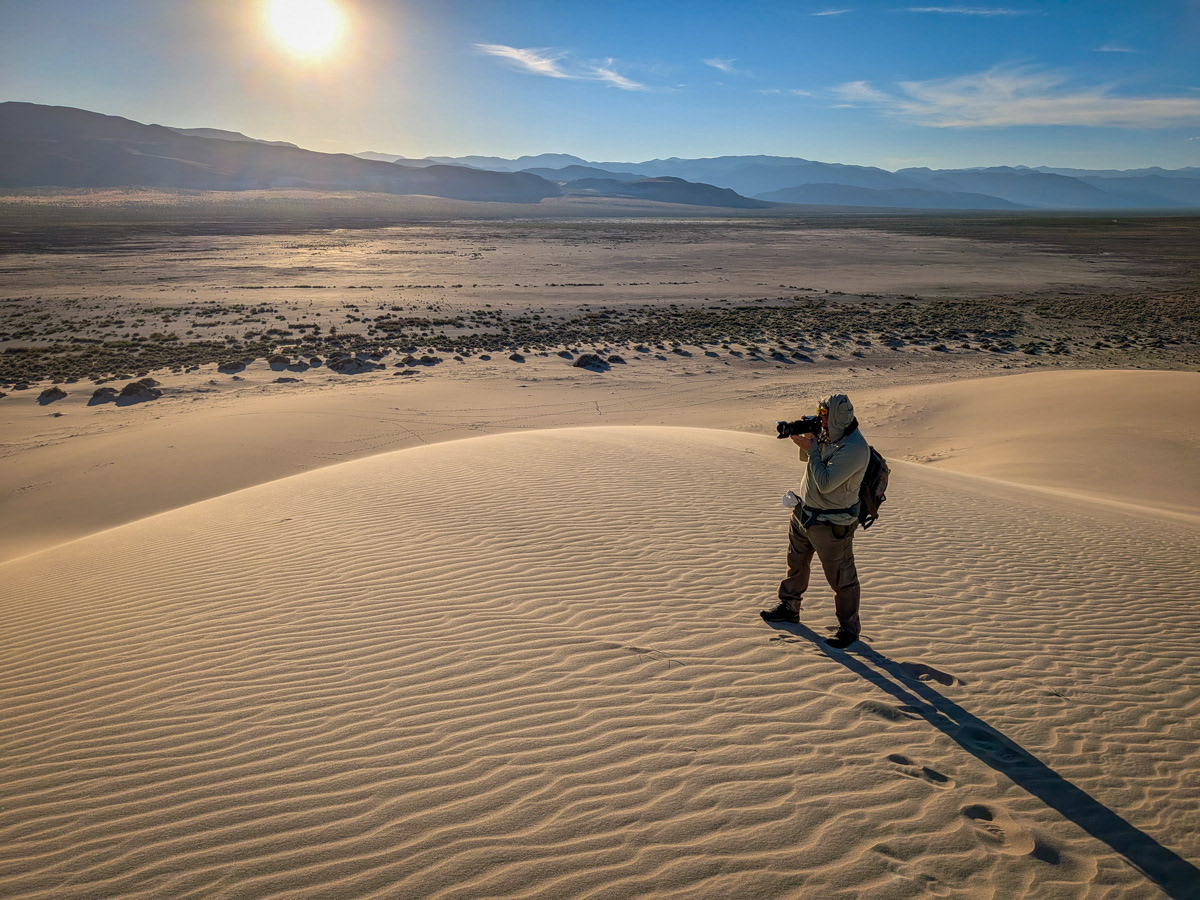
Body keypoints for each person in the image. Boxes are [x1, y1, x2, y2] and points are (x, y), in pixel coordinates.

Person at [761, 393, 870, 649]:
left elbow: (825, 482)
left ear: (836, 418)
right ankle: (789, 607)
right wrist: (810, 442)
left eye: (824, 416)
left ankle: (848, 629)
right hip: (805, 514)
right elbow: (808, 463)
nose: (820, 421)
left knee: (842, 578)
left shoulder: (854, 449)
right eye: (819, 415)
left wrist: (812, 450)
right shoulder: (830, 435)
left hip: (832, 525)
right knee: (796, 563)